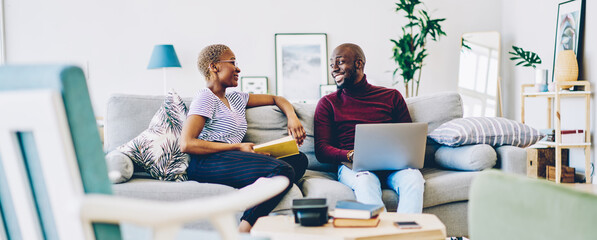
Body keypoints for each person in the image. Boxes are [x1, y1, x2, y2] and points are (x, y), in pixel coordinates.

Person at [181, 44, 308, 232]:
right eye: (232, 62)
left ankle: (261, 180)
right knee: (282, 170)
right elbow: (187, 143)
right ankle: (244, 228)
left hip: (232, 159)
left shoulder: (237, 98)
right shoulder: (206, 98)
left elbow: (276, 99)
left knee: (299, 159)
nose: (238, 68)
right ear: (214, 67)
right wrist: (238, 148)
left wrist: (292, 117)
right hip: (207, 162)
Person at [314, 43, 425, 213]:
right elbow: (321, 150)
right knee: (366, 182)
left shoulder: (391, 96)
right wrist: (350, 155)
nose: (334, 69)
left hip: (393, 167)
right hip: (354, 167)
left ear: (359, 64)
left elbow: (409, 139)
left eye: (340, 62)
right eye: (332, 65)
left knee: (414, 179)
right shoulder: (328, 103)